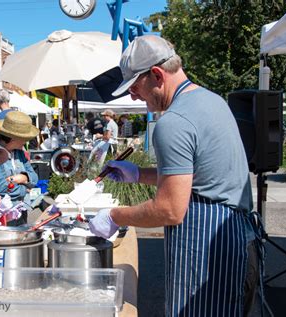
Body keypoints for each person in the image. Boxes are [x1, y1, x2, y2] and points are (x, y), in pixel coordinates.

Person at [88, 35, 259, 316]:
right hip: (238, 243)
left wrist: (114, 216)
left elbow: (169, 209)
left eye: (135, 86)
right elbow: (197, 176)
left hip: (210, 254)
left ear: (156, 74)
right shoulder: (212, 101)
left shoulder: (174, 122)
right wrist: (138, 174)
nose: (133, 95)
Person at [0, 111, 39, 226]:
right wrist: (25, 188)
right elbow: (2, 188)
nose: (26, 141)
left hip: (21, 210)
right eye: (24, 138)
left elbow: (35, 178)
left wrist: (21, 178)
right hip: (3, 216)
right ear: (13, 139)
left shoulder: (18, 153)